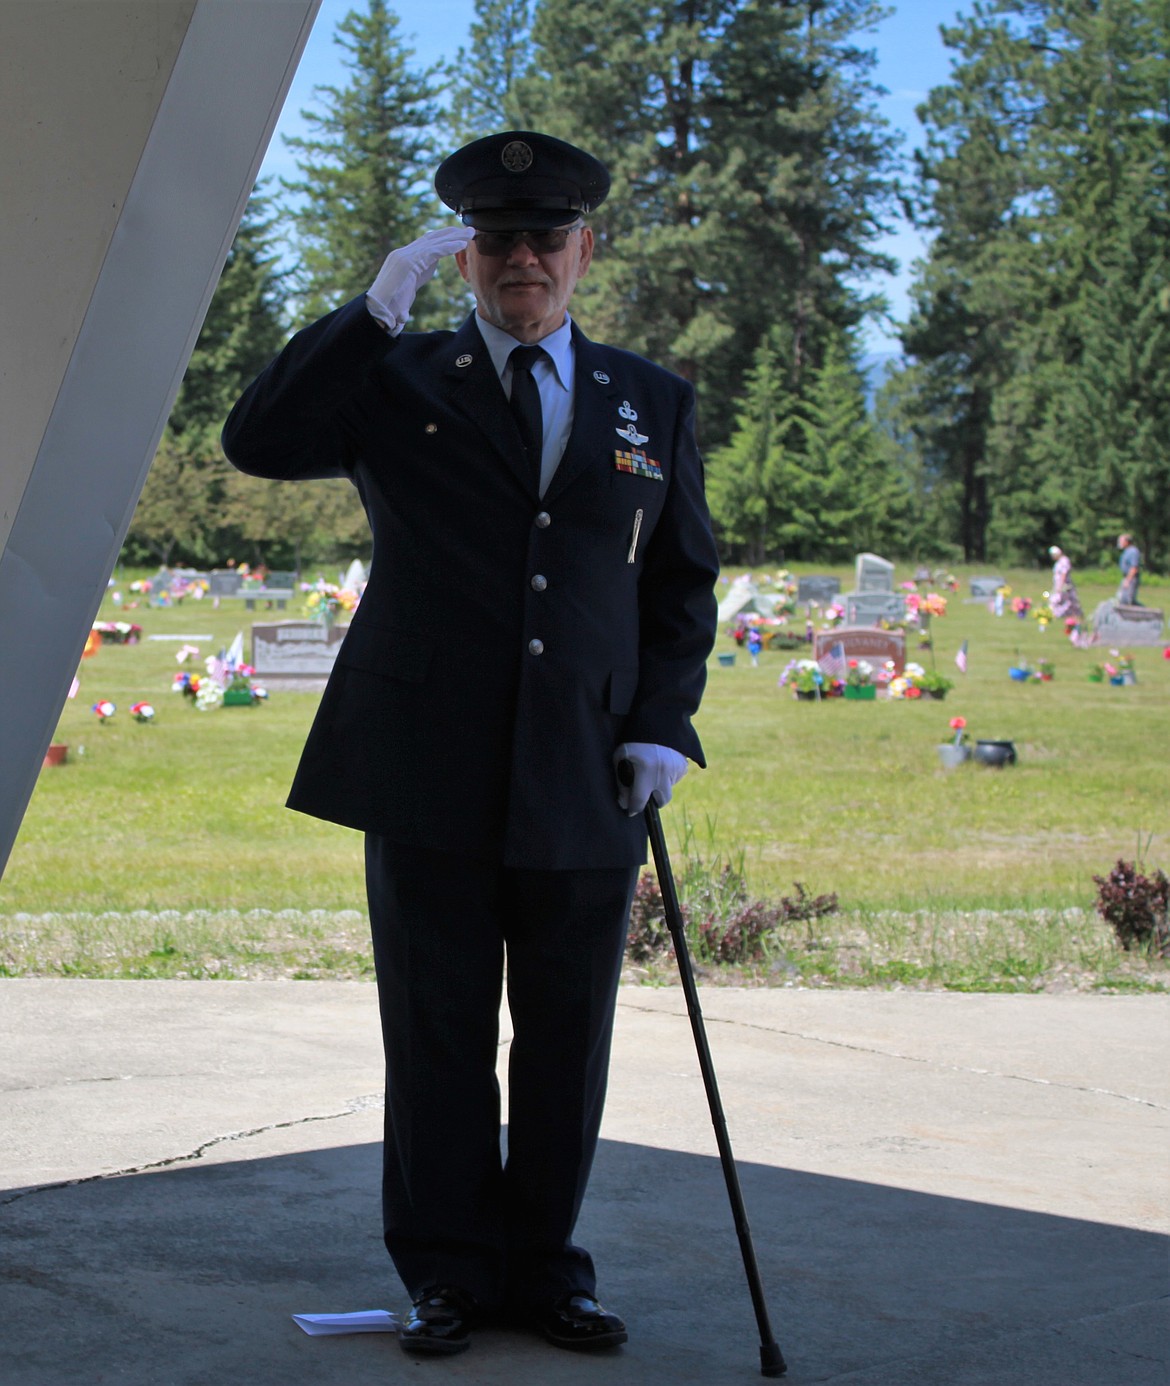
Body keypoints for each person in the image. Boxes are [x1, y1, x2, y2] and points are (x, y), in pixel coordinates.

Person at [221, 130, 719, 1360]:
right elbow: (257, 443)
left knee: (566, 1042)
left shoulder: (648, 398)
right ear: (464, 259)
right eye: (496, 241)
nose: (523, 262)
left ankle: (548, 1271)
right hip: (426, 761)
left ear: (584, 251)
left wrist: (662, 724)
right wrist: (366, 315)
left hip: (587, 768)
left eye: (547, 239)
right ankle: (446, 1271)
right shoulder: (400, 378)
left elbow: (683, 582)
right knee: (437, 1036)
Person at [1047, 545, 1084, 630]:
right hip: (1058, 587)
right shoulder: (1059, 562)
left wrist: (1061, 586)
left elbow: (1063, 574)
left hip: (1064, 588)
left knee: (1060, 603)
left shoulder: (1064, 561)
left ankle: (1073, 623)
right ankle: (1069, 621)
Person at [1117, 533, 1142, 605]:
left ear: (1127, 542)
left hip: (1131, 578)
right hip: (1126, 577)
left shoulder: (1133, 551)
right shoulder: (1126, 551)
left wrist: (1128, 580)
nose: (1120, 543)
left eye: (1121, 541)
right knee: (1122, 598)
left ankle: (1148, 614)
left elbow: (1134, 568)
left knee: (1128, 600)